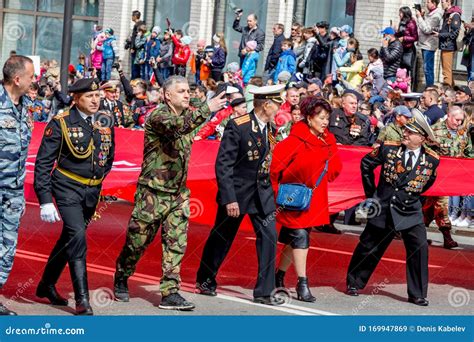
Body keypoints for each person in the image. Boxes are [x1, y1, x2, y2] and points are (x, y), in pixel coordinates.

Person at [113, 76, 227, 310]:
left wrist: (223, 109)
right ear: (167, 95)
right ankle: (122, 274)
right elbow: (177, 128)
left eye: (188, 91)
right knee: (138, 241)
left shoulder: (188, 115)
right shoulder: (158, 116)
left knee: (176, 243)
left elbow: (194, 125)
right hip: (152, 192)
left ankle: (170, 292)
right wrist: (208, 108)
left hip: (178, 194)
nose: (187, 94)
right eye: (182, 91)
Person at [195, 85, 286, 306]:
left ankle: (264, 291)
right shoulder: (239, 126)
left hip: (262, 194)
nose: (280, 108)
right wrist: (229, 198)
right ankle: (205, 279)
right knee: (222, 237)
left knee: (269, 237)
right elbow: (223, 165)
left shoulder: (271, 129)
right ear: (267, 105)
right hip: (238, 193)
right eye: (278, 104)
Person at [33, 78, 115, 315]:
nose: (95, 100)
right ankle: (82, 300)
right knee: (78, 238)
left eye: (97, 95)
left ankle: (46, 284)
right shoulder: (61, 123)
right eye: (90, 96)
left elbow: (108, 157)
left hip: (92, 191)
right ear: (76, 98)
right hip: (67, 187)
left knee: (69, 238)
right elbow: (43, 163)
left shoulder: (105, 120)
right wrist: (45, 199)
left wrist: (96, 179)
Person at [346, 109, 440, 306]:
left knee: (419, 249)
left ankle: (417, 294)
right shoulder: (388, 148)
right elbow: (366, 165)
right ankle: (354, 282)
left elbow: (428, 182)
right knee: (369, 246)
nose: (404, 133)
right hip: (384, 206)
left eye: (409, 132)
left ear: (421, 138)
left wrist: (413, 196)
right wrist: (372, 195)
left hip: (410, 209)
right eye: (404, 130)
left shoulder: (432, 159)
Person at [270, 97, 342, 302]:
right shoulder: (294, 141)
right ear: (309, 118)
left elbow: (335, 169)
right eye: (321, 117)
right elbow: (275, 170)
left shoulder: (328, 140)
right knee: (300, 236)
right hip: (292, 198)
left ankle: (279, 275)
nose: (325, 122)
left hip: (315, 198)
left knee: (296, 238)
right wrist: (277, 195)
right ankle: (302, 283)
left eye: (327, 118)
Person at [0, 56, 35, 316]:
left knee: (7, 247)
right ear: (17, 79)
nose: (34, 81)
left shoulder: (25, 107)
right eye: (31, 76)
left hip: (13, 192)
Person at [423, 106, 472, 248]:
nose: (458, 123)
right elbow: (424, 151)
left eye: (461, 121)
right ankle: (447, 237)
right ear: (449, 116)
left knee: (429, 207)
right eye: (456, 120)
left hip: (454, 177)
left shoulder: (463, 132)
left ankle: (415, 233)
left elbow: (468, 151)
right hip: (436, 176)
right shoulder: (435, 131)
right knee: (441, 204)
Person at [415, 0, 443, 87]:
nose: (426, 4)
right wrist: (422, 17)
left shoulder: (436, 15)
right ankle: (429, 88)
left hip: (429, 45)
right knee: (427, 68)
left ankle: (430, 89)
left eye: (428, 2)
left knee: (428, 69)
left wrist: (419, 17)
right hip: (425, 43)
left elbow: (427, 30)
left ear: (434, 3)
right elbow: (426, 25)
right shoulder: (431, 13)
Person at [435, 0, 462, 86]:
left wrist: (440, 35)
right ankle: (452, 91)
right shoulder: (447, 14)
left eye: (442, 2)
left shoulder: (455, 15)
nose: (441, 4)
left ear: (449, 2)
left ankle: (447, 93)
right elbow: (446, 30)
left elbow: (454, 34)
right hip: (445, 46)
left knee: (446, 72)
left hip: (448, 46)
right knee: (447, 71)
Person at [397, 6, 418, 82]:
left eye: (401, 13)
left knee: (409, 69)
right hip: (402, 49)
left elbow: (415, 38)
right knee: (401, 70)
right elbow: (401, 33)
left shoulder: (412, 23)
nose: (399, 14)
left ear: (405, 13)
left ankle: (409, 86)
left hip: (409, 50)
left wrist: (404, 38)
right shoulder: (401, 22)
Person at [126, 10, 145, 79]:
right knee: (135, 66)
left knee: (135, 66)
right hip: (137, 48)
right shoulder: (140, 24)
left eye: (132, 16)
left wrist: (132, 47)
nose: (131, 17)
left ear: (135, 16)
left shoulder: (139, 25)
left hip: (137, 49)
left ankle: (134, 80)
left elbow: (136, 37)